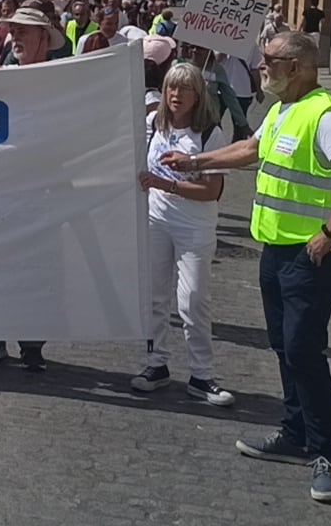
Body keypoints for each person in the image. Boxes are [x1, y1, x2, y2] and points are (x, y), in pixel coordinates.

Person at [159, 30, 331, 504]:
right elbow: (250, 151)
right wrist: (195, 162)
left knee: (303, 349)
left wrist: (330, 232)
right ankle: (294, 432)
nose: (261, 67)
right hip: (276, 250)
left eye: (270, 61)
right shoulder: (281, 109)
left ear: (296, 66)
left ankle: (325, 454)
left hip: (312, 254)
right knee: (283, 346)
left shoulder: (322, 115)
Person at [130, 62, 235, 407]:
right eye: (171, 88)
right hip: (155, 221)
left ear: (197, 95)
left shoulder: (208, 134)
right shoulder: (151, 125)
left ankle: (201, 374)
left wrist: (169, 183)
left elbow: (211, 191)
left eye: (185, 89)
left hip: (194, 226)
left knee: (191, 300)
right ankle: (155, 364)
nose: (176, 95)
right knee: (154, 297)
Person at [0, 6, 58, 372]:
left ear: (44, 38)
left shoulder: (64, 81)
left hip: (41, 196)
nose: (17, 38)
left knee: (36, 274)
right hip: (1, 195)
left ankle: (32, 343)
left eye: (25, 31)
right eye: (14, 31)